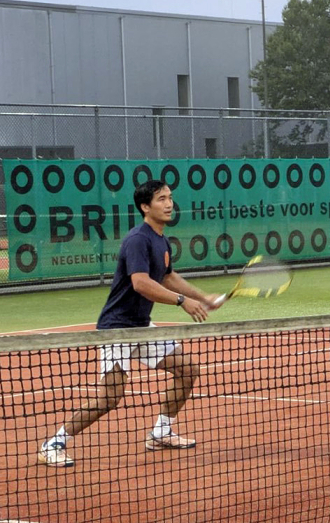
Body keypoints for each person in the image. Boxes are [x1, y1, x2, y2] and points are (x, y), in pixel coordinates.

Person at [38, 179, 221, 468]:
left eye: (170, 197)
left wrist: (202, 297)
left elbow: (167, 276)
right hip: (117, 329)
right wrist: (182, 301)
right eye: (161, 199)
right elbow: (141, 283)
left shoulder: (161, 239)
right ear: (145, 207)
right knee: (109, 398)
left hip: (141, 325)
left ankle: (160, 432)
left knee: (187, 370)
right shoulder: (138, 239)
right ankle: (54, 443)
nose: (169, 204)